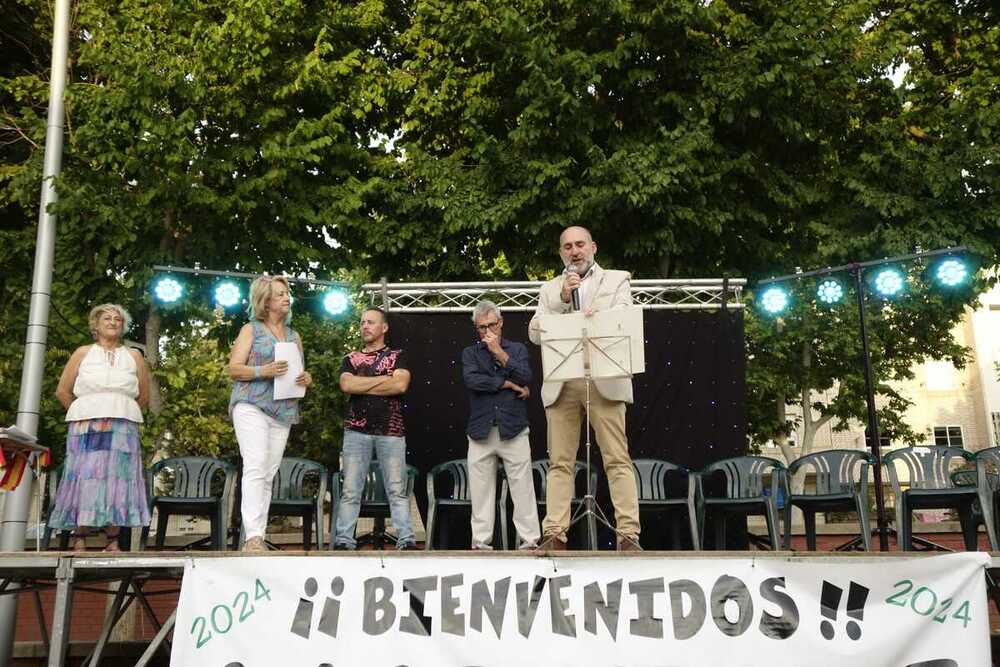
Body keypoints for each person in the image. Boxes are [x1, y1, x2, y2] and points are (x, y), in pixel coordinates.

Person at [528, 226, 641, 551]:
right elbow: (536, 332)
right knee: (560, 463)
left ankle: (628, 535)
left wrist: (596, 317)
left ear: (593, 246)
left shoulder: (618, 279)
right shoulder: (550, 289)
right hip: (564, 381)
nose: (574, 251)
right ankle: (555, 534)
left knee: (617, 459)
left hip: (604, 376)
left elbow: (624, 317)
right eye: (567, 247)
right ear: (561, 253)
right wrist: (564, 300)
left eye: (579, 245)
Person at [50, 304, 151, 551]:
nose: (113, 322)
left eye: (118, 319)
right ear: (95, 325)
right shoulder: (82, 353)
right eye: (107, 318)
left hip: (123, 422)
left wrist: (117, 408)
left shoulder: (134, 356)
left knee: (118, 477)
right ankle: (80, 536)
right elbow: (62, 391)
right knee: (87, 475)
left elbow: (144, 396)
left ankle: (113, 540)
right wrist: (84, 410)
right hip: (87, 423)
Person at [228, 275, 313, 552]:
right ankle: (251, 537)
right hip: (251, 404)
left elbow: (298, 371)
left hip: (283, 409)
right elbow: (233, 369)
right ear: (265, 301)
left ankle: (257, 536)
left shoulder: (295, 335)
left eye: (287, 293)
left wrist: (305, 379)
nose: (287, 297)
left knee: (268, 472)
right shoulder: (251, 329)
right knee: (255, 465)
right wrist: (261, 371)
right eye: (279, 294)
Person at [333, 307, 417, 550]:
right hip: (355, 431)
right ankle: (344, 540)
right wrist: (383, 380)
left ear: (384, 327)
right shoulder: (350, 358)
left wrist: (363, 385)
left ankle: (406, 540)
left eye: (370, 322)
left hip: (391, 431)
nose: (365, 326)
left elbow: (400, 385)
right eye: (362, 322)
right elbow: (347, 384)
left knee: (396, 490)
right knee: (351, 489)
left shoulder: (398, 355)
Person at [462, 300, 540, 550]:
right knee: (481, 490)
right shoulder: (470, 353)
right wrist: (507, 384)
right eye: (481, 327)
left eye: (491, 325)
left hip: (513, 429)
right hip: (480, 431)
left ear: (501, 322)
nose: (486, 332)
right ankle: (480, 542)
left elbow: (526, 377)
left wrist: (498, 352)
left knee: (522, 487)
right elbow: (472, 380)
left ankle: (529, 540)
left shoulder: (516, 350)